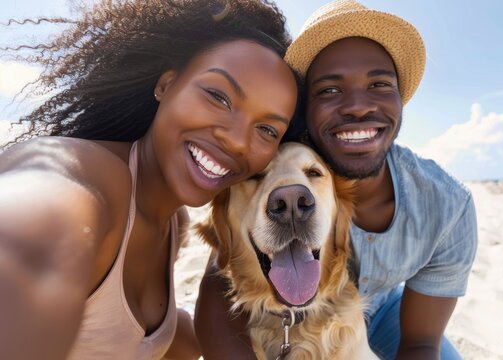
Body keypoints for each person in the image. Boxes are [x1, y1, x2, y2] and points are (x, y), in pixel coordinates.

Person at [0, 1, 297, 359]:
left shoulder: (173, 223)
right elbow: (31, 228)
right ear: (166, 84)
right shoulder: (84, 181)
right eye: (218, 96)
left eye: (267, 129)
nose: (237, 140)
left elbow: (144, 339)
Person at [195, 1, 478, 359]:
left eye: (379, 84)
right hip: (269, 315)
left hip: (388, 308)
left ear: (400, 97)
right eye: (329, 90)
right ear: (305, 106)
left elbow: (420, 343)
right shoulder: (271, 154)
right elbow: (218, 283)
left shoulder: (448, 207)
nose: (358, 106)